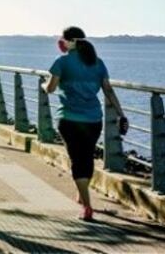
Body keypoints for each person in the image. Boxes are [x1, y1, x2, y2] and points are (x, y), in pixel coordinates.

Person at [43, 26, 126, 222]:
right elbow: (108, 90)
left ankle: (87, 207)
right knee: (86, 158)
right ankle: (82, 194)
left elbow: (51, 88)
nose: (60, 42)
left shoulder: (61, 62)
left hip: (69, 119)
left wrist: (43, 86)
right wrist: (122, 114)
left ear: (71, 41)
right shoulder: (97, 63)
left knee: (76, 159)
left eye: (63, 39)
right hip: (93, 120)